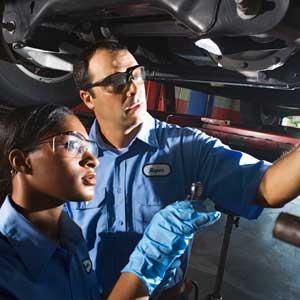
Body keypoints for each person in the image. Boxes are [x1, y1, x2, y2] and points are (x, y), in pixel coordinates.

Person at [69, 39, 300, 299]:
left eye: (136, 74)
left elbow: (267, 188)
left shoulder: (186, 147)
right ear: (88, 98)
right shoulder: (68, 162)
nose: (134, 88)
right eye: (116, 82)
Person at [0, 103, 220, 300]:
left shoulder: (71, 238)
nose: (93, 160)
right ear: (21, 161)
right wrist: (146, 262)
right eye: (71, 145)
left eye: (88, 148)